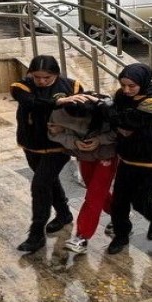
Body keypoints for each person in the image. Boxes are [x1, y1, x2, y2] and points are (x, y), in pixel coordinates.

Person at [10, 55, 85, 253]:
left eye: (47, 78)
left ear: (57, 74)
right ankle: (64, 214)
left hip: (59, 146)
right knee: (49, 181)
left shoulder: (73, 86)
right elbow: (32, 104)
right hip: (32, 143)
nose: (42, 81)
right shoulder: (20, 86)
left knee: (40, 184)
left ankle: (36, 234)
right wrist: (59, 103)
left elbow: (83, 115)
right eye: (37, 77)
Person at [107, 63, 152, 255]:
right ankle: (121, 235)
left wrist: (112, 115)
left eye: (132, 86)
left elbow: (125, 120)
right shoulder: (122, 96)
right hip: (129, 157)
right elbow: (117, 118)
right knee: (119, 201)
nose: (126, 90)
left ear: (143, 83)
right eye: (123, 85)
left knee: (141, 200)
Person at [47, 92, 118, 254]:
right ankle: (118, 214)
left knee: (94, 194)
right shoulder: (58, 112)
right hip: (83, 155)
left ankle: (82, 236)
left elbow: (120, 131)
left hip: (106, 154)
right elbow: (53, 132)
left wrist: (99, 140)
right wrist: (74, 142)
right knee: (95, 190)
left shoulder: (106, 110)